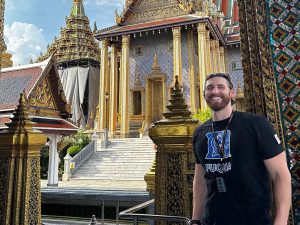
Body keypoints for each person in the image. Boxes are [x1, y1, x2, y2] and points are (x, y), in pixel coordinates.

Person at [191, 73, 291, 225]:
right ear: (204, 94)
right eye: (209, 88)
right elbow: (200, 181)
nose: (215, 91)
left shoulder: (256, 124)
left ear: (231, 93)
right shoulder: (200, 133)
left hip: (252, 220)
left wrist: (281, 221)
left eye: (221, 87)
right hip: (211, 220)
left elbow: (280, 175)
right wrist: (195, 220)